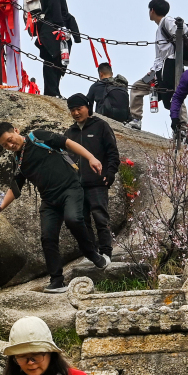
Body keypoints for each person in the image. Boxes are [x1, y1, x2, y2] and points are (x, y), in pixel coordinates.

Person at [0, 123, 110, 293]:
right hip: (49, 200)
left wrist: (91, 157)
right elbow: (16, 185)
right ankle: (57, 281)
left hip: (70, 188)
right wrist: (0, 206)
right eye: (5, 145)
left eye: (10, 140)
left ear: (16, 131)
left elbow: (67, 143)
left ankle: (92, 254)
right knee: (47, 237)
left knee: (74, 219)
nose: (10, 146)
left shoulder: (38, 137)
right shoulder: (18, 159)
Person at [65, 93, 120, 260]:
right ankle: (93, 255)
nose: (75, 113)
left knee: (101, 219)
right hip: (76, 186)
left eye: (79, 108)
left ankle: (106, 253)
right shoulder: (69, 133)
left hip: (97, 182)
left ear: (88, 107)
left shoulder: (101, 126)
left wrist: (110, 173)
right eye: (72, 110)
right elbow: (65, 157)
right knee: (82, 222)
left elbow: (112, 152)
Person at [127, 0, 187, 130]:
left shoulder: (167, 21)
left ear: (152, 10)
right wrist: (153, 70)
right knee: (138, 87)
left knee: (175, 93)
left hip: (170, 67)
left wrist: (178, 28)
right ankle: (135, 119)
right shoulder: (160, 27)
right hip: (158, 70)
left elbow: (182, 30)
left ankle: (183, 128)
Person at [37, 0, 80, 99]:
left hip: (56, 27)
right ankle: (51, 92)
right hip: (51, 28)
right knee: (52, 57)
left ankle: (55, 91)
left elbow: (63, 11)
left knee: (59, 59)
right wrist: (61, 26)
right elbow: (55, 7)